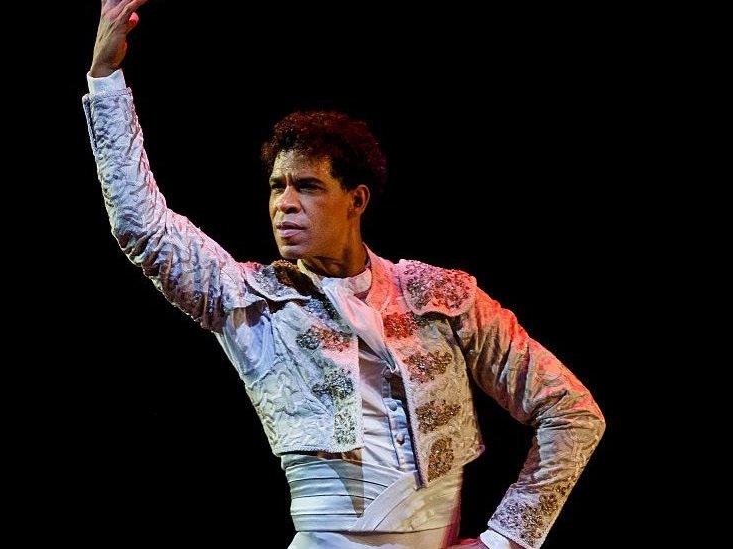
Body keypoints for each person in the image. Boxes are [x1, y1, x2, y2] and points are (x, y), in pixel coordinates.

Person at [82, 2, 605, 548]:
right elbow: (142, 226)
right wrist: (105, 83)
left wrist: (506, 540)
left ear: (356, 200)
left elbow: (571, 410)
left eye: (306, 187)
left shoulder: (441, 295)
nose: (284, 204)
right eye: (276, 186)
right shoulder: (248, 298)